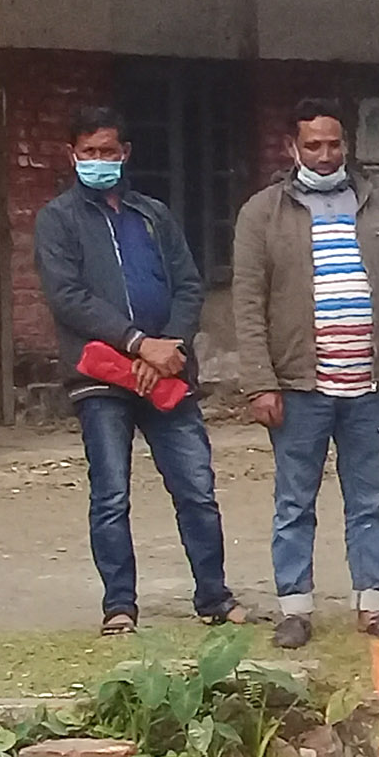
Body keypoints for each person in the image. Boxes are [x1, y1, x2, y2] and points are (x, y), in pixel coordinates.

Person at [234, 97, 379, 650]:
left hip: (367, 386)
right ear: (291, 148)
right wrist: (260, 382)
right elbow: (248, 305)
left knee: (370, 498)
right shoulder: (262, 214)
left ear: (347, 145)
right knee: (295, 502)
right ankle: (295, 609)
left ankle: (373, 603)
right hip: (299, 387)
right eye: (313, 145)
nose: (325, 156)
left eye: (334, 144)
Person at [35, 106, 245, 635]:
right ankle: (120, 606)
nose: (99, 161)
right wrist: (136, 345)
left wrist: (167, 345)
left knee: (195, 486)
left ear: (125, 153)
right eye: (89, 153)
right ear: (72, 155)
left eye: (108, 151)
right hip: (100, 377)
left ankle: (214, 598)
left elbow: (188, 284)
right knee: (111, 492)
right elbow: (68, 297)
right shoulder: (57, 219)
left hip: (168, 372)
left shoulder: (152, 215)